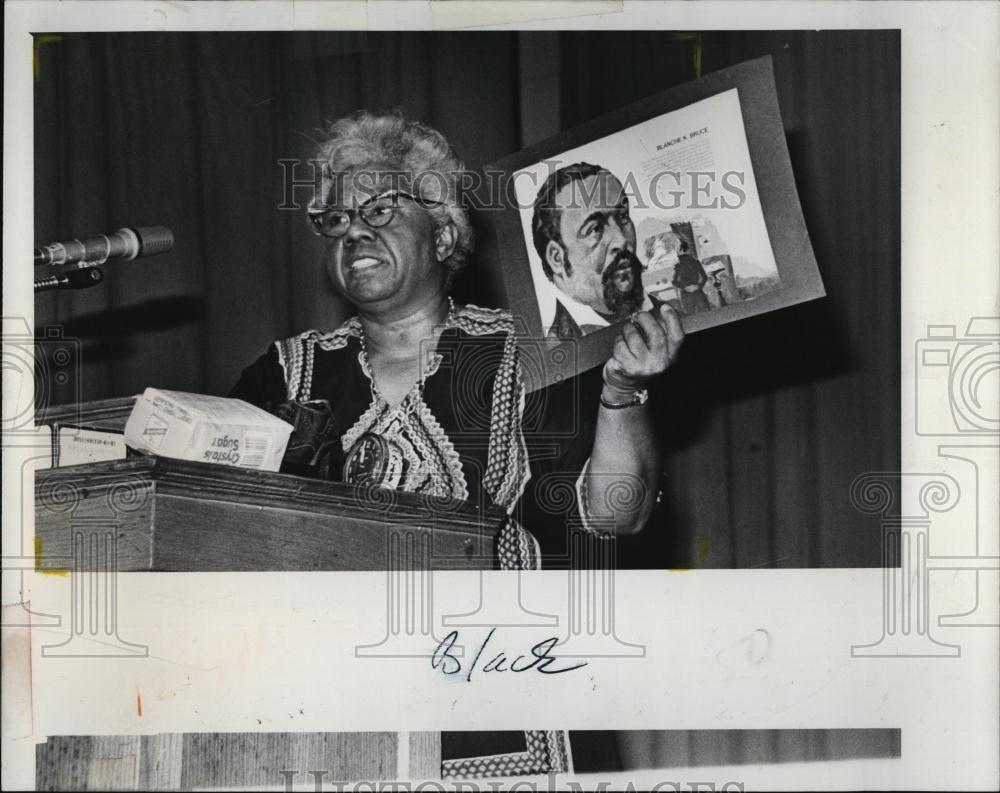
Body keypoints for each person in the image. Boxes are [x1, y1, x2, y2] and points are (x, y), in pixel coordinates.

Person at [231, 112, 684, 569]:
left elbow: (619, 514)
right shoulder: (285, 374)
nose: (353, 231)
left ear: (443, 236)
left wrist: (624, 390)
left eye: (380, 209)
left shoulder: (533, 351)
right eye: (335, 218)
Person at [531, 162, 663, 340]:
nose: (621, 241)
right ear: (557, 258)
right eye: (594, 229)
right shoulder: (557, 348)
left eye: (622, 216)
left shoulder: (669, 311)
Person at [672, 241, 711, 315]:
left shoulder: (695, 262)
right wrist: (686, 287)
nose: (682, 252)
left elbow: (704, 277)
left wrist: (697, 286)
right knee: (695, 314)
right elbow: (674, 281)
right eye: (681, 251)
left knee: (705, 312)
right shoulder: (679, 265)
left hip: (696, 292)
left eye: (683, 250)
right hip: (688, 294)